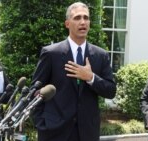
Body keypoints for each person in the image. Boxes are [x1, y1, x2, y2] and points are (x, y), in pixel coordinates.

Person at [31, 2, 116, 141]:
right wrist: (42, 124)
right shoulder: (51, 53)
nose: (83, 22)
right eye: (77, 18)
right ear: (67, 24)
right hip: (54, 132)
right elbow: (35, 92)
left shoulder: (101, 55)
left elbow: (111, 91)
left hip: (87, 132)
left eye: (86, 18)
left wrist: (91, 77)